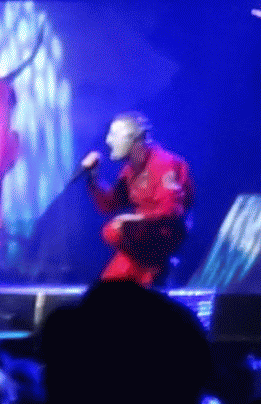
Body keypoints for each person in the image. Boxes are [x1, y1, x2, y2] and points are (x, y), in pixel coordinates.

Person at [80, 111, 193, 286]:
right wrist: (93, 177)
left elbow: (172, 210)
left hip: (161, 236)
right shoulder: (130, 170)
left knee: (116, 230)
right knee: (108, 288)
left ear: (134, 139)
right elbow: (110, 204)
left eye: (114, 134)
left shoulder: (163, 164)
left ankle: (156, 271)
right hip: (141, 240)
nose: (108, 141)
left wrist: (137, 219)